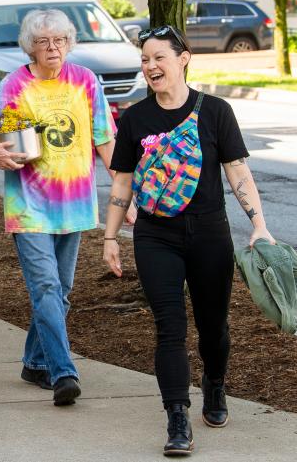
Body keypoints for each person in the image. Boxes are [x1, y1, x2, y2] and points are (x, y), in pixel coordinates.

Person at [103, 25, 276, 457]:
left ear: (183, 59)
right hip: (156, 235)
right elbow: (122, 180)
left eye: (158, 57)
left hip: (209, 233)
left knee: (213, 325)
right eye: (145, 59)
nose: (150, 67)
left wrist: (259, 224)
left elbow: (237, 170)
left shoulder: (215, 112)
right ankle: (177, 417)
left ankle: (214, 386)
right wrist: (109, 236)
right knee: (169, 328)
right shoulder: (136, 119)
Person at [0, 9, 118, 407]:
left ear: (70, 42)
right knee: (47, 287)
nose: (53, 48)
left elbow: (105, 141)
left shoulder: (85, 81)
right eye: (44, 41)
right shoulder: (14, 87)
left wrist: (124, 194)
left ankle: (34, 362)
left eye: (60, 40)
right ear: (29, 46)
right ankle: (63, 372)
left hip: (76, 205)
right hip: (30, 206)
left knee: (61, 291)